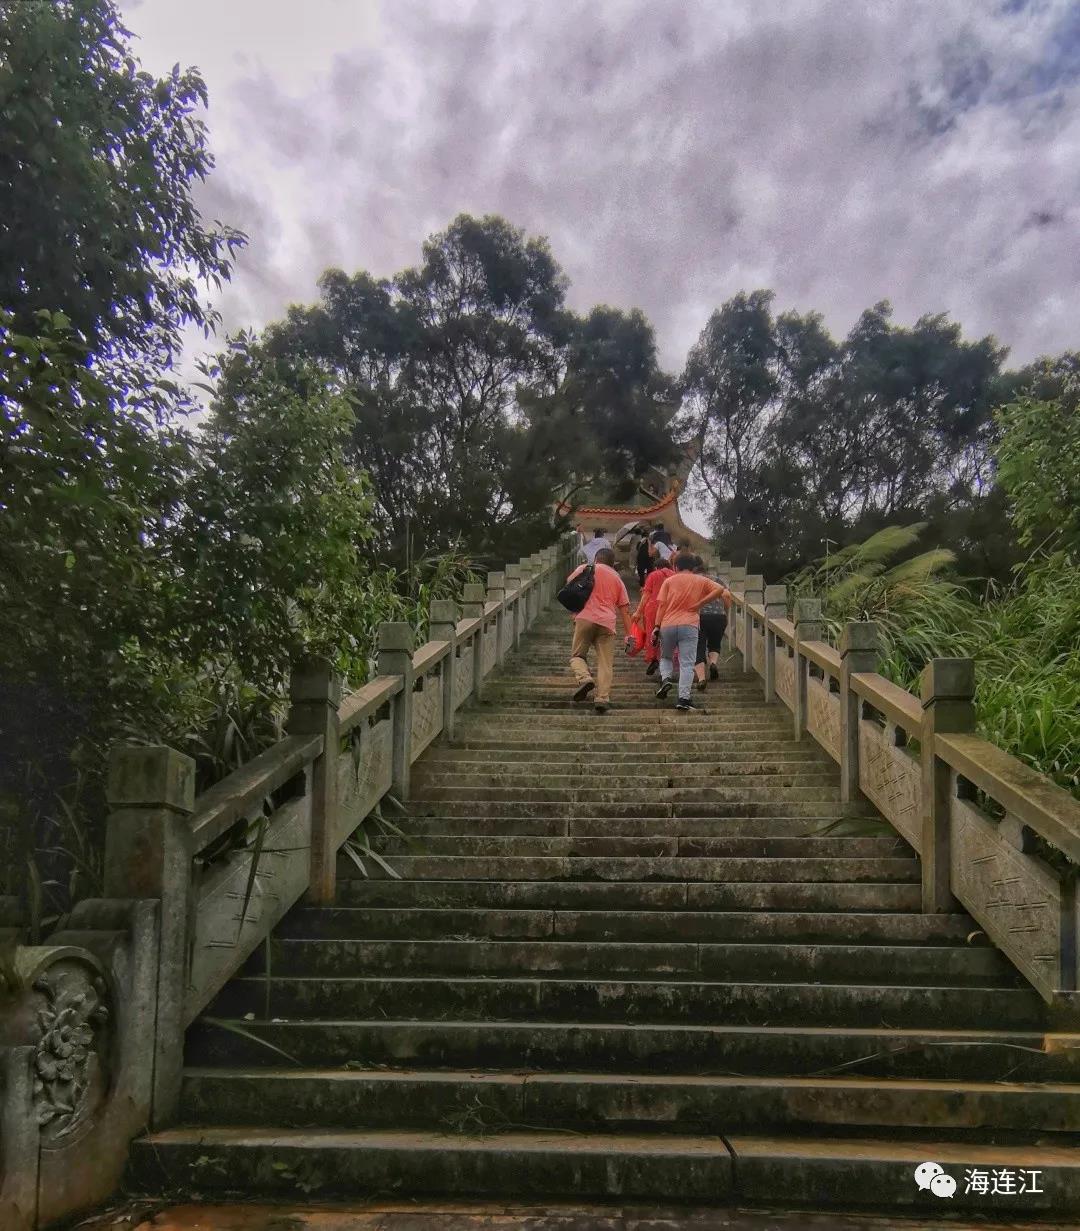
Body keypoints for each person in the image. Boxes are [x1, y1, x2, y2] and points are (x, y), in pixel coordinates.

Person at [653, 555, 731, 712]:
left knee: (666, 656)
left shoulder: (669, 581)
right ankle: (683, 698)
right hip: (689, 624)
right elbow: (721, 590)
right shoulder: (699, 580)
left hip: (668, 624)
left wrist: (656, 626)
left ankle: (666, 678)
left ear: (675, 567)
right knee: (687, 663)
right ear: (693, 568)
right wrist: (700, 604)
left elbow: (661, 606)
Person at [565, 547, 633, 714]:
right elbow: (625, 610)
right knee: (605, 663)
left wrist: (575, 610)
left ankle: (585, 678)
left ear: (596, 559)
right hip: (607, 623)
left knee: (577, 656)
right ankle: (602, 698)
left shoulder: (586, 569)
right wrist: (630, 635)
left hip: (585, 618)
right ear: (612, 563)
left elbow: (569, 583)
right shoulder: (617, 579)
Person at [632, 556, 674, 676]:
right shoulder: (675, 575)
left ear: (657, 567)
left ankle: (654, 658)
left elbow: (646, 595)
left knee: (653, 634)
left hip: (653, 608)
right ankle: (666, 661)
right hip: (671, 608)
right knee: (668, 635)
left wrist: (638, 612)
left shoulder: (653, 575)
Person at [692, 559, 730, 690]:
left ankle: (702, 678)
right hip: (719, 616)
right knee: (715, 644)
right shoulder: (717, 580)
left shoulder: (692, 580)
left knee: (699, 646)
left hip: (699, 617)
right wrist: (725, 611)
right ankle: (713, 663)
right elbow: (727, 596)